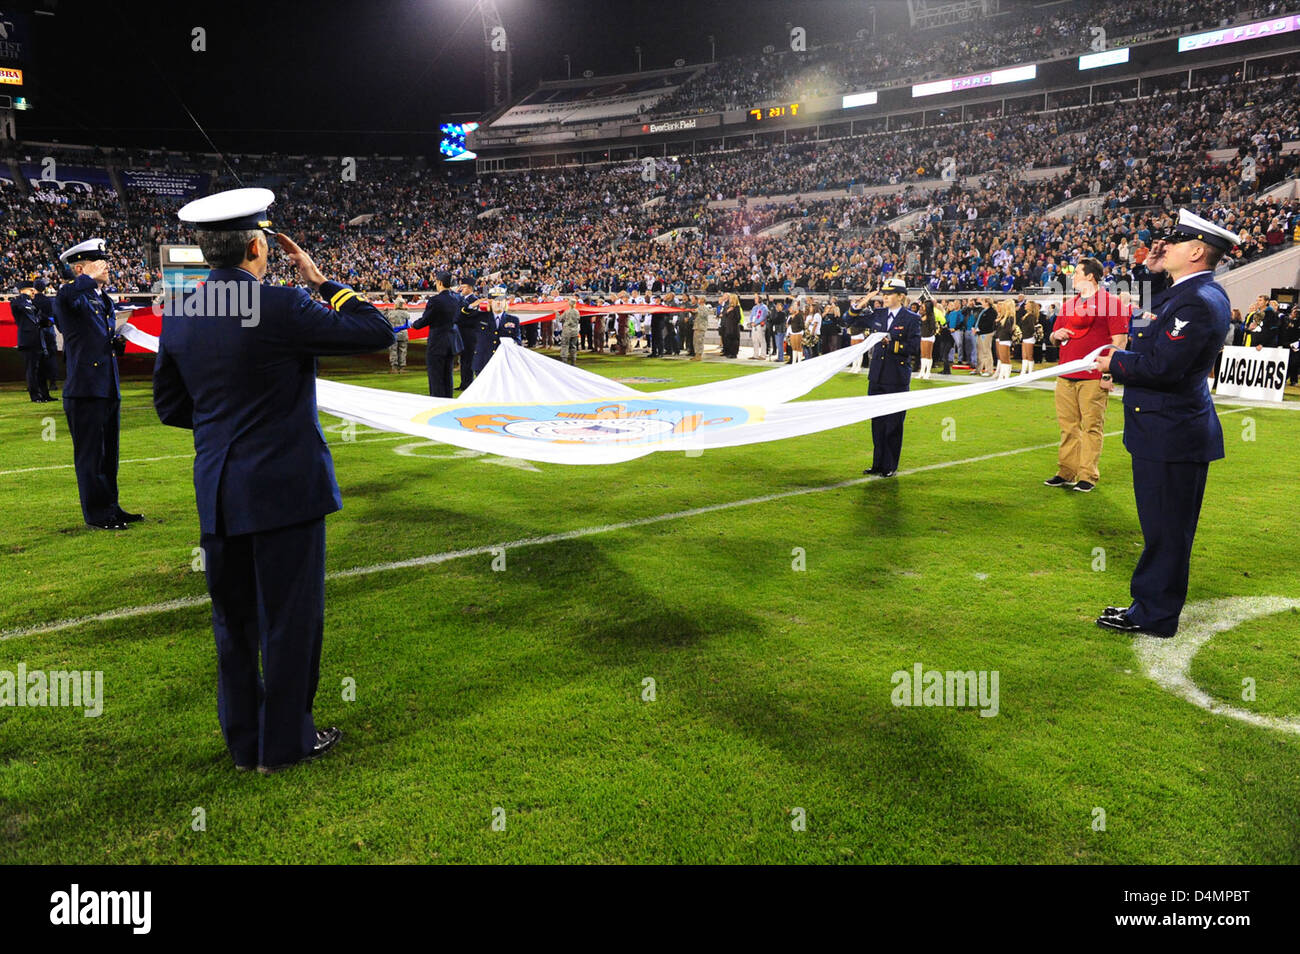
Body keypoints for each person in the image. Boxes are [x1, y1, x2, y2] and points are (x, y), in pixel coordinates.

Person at [152, 188, 394, 772]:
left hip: (218, 492)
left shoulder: (179, 311)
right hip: (285, 491)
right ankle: (285, 743)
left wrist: (223, 428)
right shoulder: (282, 304)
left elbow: (169, 406)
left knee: (233, 624)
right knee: (289, 620)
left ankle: (243, 742)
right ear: (259, 246)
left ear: (207, 250)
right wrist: (320, 278)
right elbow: (376, 329)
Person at [1095, 209, 1237, 638]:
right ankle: (1150, 604)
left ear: (1196, 250)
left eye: (1175, 241)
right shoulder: (1189, 293)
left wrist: (1115, 362)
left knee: (1166, 531)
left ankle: (1154, 615)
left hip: (1171, 434)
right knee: (1161, 527)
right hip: (1167, 430)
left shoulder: (1197, 300)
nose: (1164, 246)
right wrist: (1150, 270)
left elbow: (1164, 366)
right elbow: (1150, 318)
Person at [53, 238, 140, 531]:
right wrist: (86, 280)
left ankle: (112, 507)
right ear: (80, 268)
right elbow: (64, 302)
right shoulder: (71, 295)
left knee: (108, 454)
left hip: (106, 385)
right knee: (91, 456)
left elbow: (96, 339)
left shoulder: (101, 299)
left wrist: (118, 341)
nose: (106, 266)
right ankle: (97, 514)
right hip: (85, 389)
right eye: (97, 261)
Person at [1045, 258, 1130, 493]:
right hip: (1065, 373)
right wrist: (1056, 334)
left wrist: (1109, 374)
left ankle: (1088, 475)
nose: (1073, 277)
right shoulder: (1069, 304)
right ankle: (1066, 471)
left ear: (1090, 276)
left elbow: (1119, 342)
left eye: (1077, 273)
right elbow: (1053, 336)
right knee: (1068, 426)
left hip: (1093, 374)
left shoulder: (1111, 303)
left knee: (1092, 426)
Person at [849, 278, 921, 477]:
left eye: (890, 294)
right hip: (877, 376)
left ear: (901, 296)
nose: (885, 296)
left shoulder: (911, 318)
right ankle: (877, 464)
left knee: (893, 423)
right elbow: (850, 321)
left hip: (896, 377)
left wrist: (891, 344)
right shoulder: (878, 314)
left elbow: (914, 347)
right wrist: (862, 302)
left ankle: (890, 465)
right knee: (877, 422)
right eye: (884, 293)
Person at [411, 271, 463, 397]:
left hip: (437, 343)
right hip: (451, 342)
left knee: (436, 377)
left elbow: (426, 319)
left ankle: (436, 403)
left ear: (439, 283)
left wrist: (414, 325)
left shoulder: (435, 300)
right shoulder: (456, 299)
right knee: (447, 376)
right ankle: (447, 402)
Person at [13, 284, 51, 402]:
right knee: (32, 369)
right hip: (27, 341)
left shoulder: (33, 305)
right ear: (22, 291)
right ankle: (35, 396)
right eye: (30, 289)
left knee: (42, 369)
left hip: (39, 340)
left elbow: (43, 319)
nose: (33, 291)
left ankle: (45, 394)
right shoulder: (17, 302)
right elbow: (19, 306)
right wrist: (24, 296)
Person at [34, 279, 60, 393]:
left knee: (37, 357)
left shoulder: (32, 301)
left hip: (37, 330)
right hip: (49, 329)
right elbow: (55, 315)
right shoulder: (50, 301)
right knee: (51, 355)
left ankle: (36, 382)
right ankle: (53, 382)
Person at [387, 294, 410, 373]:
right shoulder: (406, 314)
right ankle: (402, 367)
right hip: (403, 334)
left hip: (394, 334)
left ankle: (394, 368)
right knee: (403, 350)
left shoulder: (391, 313)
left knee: (393, 350)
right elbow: (408, 324)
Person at [975, 298, 996, 376]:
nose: (982, 303)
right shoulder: (984, 311)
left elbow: (989, 324)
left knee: (986, 352)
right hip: (981, 333)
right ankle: (979, 369)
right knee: (980, 352)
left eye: (983, 301)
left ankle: (989, 370)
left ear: (987, 302)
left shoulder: (991, 312)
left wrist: (979, 330)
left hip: (986, 333)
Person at [559, 297, 581, 365]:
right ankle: (573, 362)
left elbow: (560, 319)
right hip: (574, 331)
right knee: (573, 346)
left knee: (565, 346)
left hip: (567, 331)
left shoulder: (567, 311)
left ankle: (564, 362)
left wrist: (556, 313)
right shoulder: (577, 312)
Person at [692, 295, 709, 360]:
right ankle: (696, 354)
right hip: (696, 326)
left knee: (700, 341)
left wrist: (697, 311)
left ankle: (699, 355)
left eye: (699, 299)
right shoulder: (699, 307)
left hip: (701, 327)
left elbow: (704, 315)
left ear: (702, 300)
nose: (698, 300)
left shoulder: (705, 307)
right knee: (695, 341)